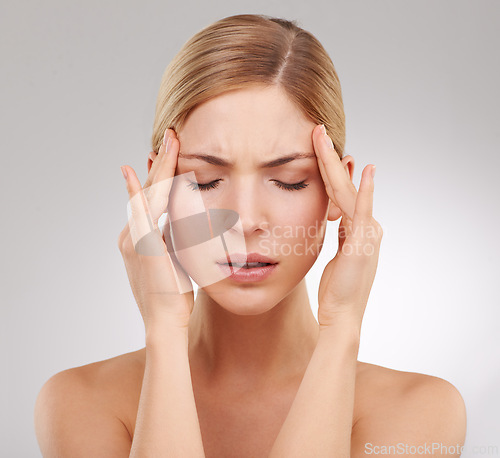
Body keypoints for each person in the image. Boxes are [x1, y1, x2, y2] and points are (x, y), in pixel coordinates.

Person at [34, 13, 467, 457]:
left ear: (339, 190)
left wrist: (342, 327)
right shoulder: (80, 400)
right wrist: (163, 331)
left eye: (289, 180)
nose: (244, 220)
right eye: (204, 180)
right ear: (158, 190)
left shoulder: (421, 410)